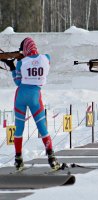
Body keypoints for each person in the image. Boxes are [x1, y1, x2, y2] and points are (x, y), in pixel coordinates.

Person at [2, 37, 60, 170]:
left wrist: (12, 67)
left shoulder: (21, 63)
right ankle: (51, 157)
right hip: (35, 96)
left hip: (21, 96)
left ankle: (18, 160)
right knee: (42, 127)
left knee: (19, 128)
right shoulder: (46, 58)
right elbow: (41, 57)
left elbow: (18, 82)